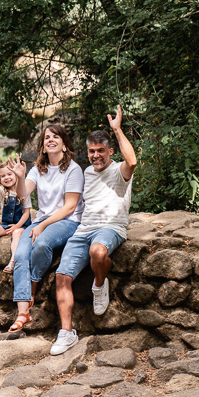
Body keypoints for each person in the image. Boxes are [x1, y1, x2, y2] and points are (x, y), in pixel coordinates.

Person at [50, 106, 136, 355]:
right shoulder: (87, 172)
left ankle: (99, 285)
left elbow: (132, 161)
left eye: (101, 151)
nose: (96, 155)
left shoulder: (119, 170)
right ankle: (66, 333)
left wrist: (117, 130)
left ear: (110, 152)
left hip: (111, 227)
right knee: (62, 276)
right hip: (83, 229)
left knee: (98, 252)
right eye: (91, 151)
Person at [7, 124, 85, 334]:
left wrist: (42, 225)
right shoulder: (37, 169)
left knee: (41, 244)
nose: (51, 140)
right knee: (21, 254)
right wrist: (20, 177)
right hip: (41, 220)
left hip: (67, 221)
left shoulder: (73, 170)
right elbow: (23, 193)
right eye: (47, 137)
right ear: (42, 146)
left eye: (56, 137)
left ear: (64, 144)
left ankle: (33, 283)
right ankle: (23, 313)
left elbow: (70, 207)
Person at [0, 164, 32, 275]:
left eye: (9, 174)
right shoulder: (2, 191)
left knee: (16, 233)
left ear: (16, 175)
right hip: (7, 225)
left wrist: (17, 226)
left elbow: (26, 213)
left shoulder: (24, 191)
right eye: (3, 176)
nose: (7, 177)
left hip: (22, 225)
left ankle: (13, 261)